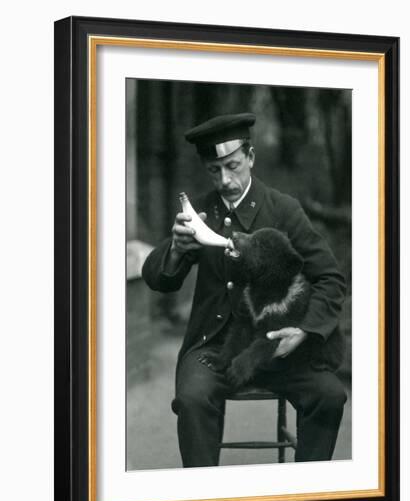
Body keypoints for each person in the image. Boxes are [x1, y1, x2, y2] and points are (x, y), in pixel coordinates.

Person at [142, 113, 347, 468]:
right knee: (192, 399)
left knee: (328, 396)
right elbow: (159, 280)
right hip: (215, 345)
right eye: (214, 170)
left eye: (233, 166)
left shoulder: (283, 209)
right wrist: (175, 249)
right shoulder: (202, 212)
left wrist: (303, 331)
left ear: (250, 157)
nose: (225, 180)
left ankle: (309, 495)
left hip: (280, 346)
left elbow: (331, 279)